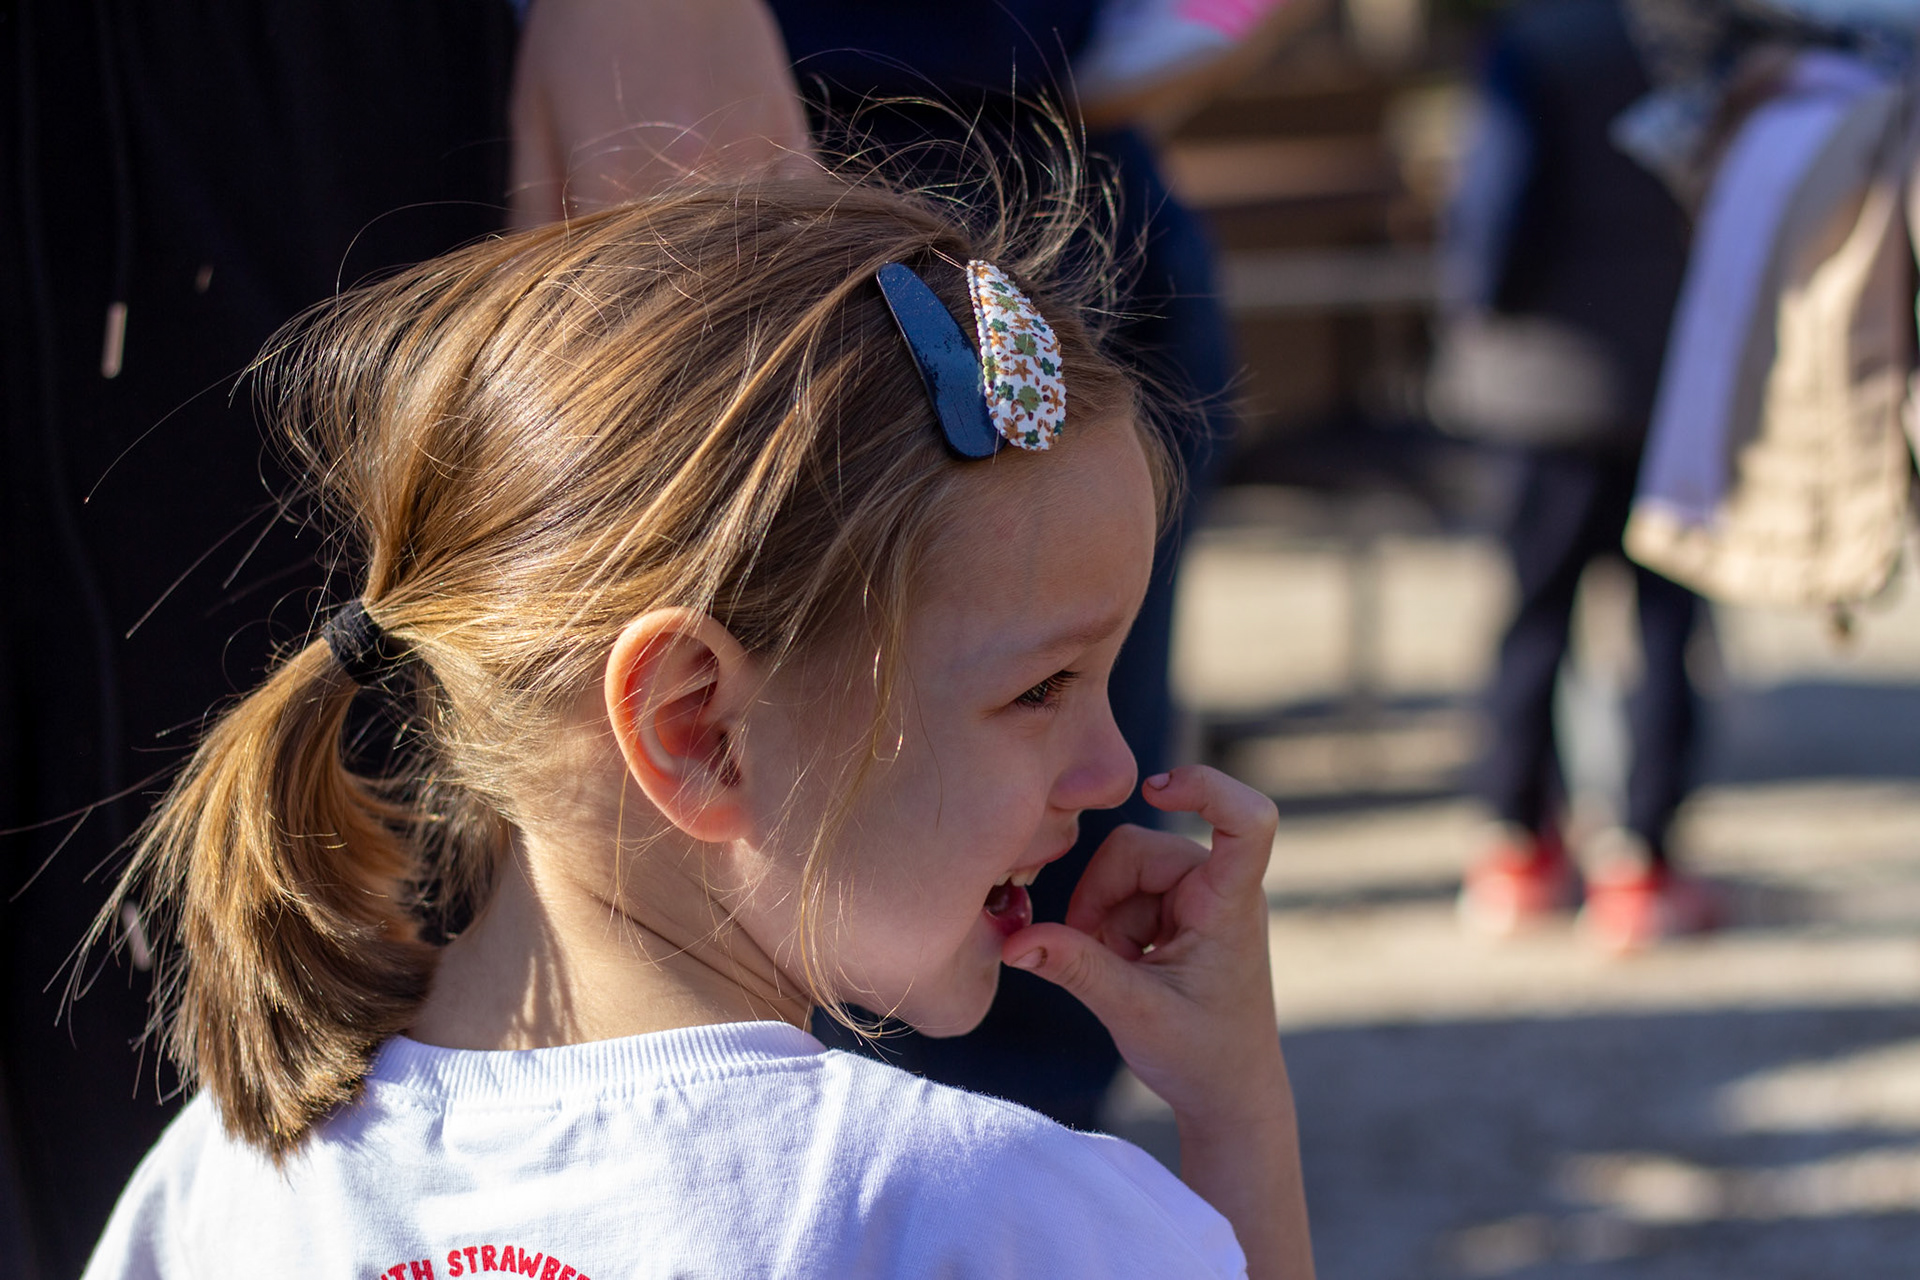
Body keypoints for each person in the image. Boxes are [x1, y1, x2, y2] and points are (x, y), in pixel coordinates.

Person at [78, 173, 1313, 1278]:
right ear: (698, 727)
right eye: (1041, 688)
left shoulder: (222, 1189)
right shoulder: (991, 1218)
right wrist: (1238, 1111)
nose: (1111, 769)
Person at [1432, 0, 1719, 951]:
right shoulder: (1703, 42)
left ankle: (1519, 849)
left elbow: (1494, 212)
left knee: (1532, 621)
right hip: (1674, 376)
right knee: (1665, 629)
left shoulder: (1536, 42)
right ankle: (1644, 862)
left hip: (1545, 383)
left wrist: (1474, 308)